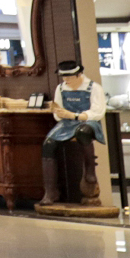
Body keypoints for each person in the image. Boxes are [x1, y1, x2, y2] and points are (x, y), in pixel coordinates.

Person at [42, 57, 106, 205]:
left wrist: (76, 116)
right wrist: (61, 113)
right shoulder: (61, 88)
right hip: (67, 123)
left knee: (83, 132)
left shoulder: (94, 88)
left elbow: (97, 112)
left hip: (87, 121)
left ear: (79, 75)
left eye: (69, 77)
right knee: (48, 144)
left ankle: (89, 170)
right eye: (64, 77)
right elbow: (58, 113)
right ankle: (50, 191)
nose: (66, 80)